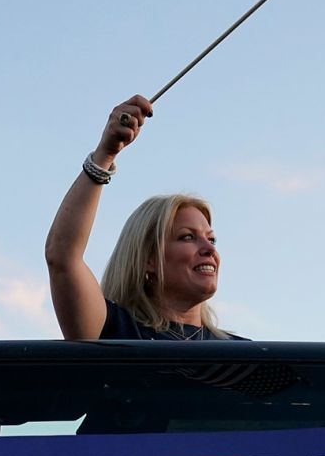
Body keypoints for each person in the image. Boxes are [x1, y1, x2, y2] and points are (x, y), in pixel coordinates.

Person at [45, 94, 239, 341]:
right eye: (187, 237)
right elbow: (62, 257)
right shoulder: (114, 331)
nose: (208, 250)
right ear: (148, 258)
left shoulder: (247, 356)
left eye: (211, 240)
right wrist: (105, 154)